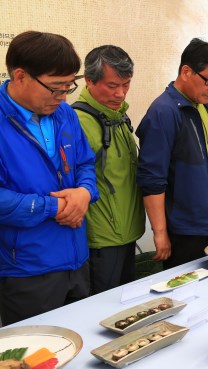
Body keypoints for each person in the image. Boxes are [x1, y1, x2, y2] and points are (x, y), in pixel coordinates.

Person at [0, 31, 99, 324]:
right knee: (38, 360)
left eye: (69, 86)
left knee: (81, 347)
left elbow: (85, 164)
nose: (64, 96)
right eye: (56, 88)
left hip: (76, 258)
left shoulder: (65, 114)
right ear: (20, 76)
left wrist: (83, 193)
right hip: (28, 270)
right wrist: (53, 207)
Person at [136, 38, 208, 270]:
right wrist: (160, 233)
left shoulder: (205, 107)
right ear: (186, 71)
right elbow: (152, 179)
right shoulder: (164, 112)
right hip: (187, 231)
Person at [73, 45, 145, 294]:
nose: (121, 94)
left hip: (127, 232)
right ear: (90, 81)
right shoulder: (77, 122)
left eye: (126, 85)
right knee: (103, 310)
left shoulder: (118, 117)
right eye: (113, 86)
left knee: (126, 306)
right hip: (101, 240)